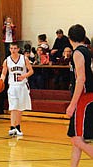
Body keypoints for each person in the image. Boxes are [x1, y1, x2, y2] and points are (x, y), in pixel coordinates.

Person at [66, 24, 93, 167]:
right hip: (88, 97)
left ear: (69, 38)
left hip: (84, 98)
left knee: (76, 139)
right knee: (77, 139)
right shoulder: (87, 50)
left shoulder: (77, 53)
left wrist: (72, 104)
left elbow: (81, 79)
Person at [1, 42, 33, 136]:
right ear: (9, 49)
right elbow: (4, 73)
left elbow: (31, 71)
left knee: (20, 108)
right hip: (12, 86)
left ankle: (18, 127)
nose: (13, 50)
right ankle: (12, 127)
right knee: (13, 106)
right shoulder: (7, 60)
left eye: (15, 48)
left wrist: (24, 75)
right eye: (11, 48)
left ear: (18, 49)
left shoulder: (24, 58)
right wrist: (1, 81)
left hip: (22, 86)